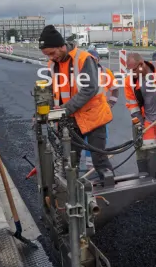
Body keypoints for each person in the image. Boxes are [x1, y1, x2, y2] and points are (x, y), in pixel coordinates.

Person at [39, 25, 115, 184]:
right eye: (47, 55)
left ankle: (110, 189)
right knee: (69, 161)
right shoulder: (52, 64)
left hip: (93, 116)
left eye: (52, 53)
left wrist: (64, 109)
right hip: (70, 119)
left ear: (61, 46)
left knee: (99, 159)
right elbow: (52, 91)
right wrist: (45, 110)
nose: (51, 57)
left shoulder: (83, 59)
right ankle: (71, 193)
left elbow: (90, 88)